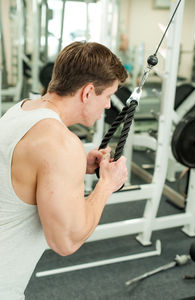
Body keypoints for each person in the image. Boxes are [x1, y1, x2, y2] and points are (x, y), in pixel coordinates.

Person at [0, 41, 128, 300]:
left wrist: (78, 164)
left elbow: (26, 171)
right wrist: (106, 185)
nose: (107, 106)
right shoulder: (61, 143)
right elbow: (66, 242)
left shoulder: (22, 109)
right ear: (88, 92)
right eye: (106, 97)